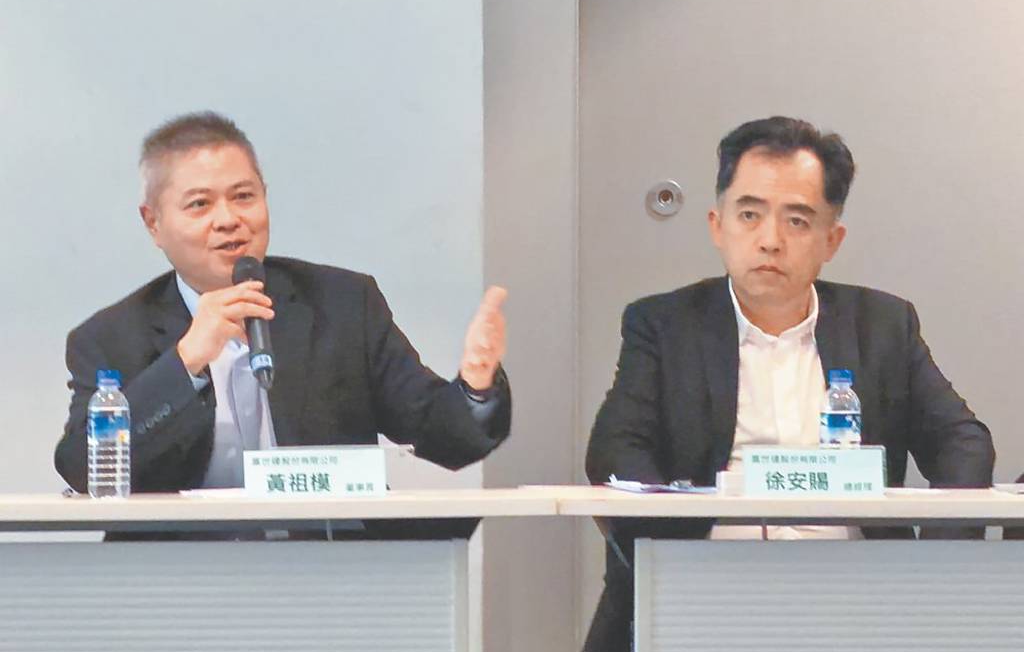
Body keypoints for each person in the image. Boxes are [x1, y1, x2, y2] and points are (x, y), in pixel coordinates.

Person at [582, 116, 995, 651]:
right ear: (717, 226)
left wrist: (929, 569)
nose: (770, 241)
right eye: (749, 215)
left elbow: (963, 442)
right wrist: (676, 558)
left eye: (797, 221)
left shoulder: (883, 325)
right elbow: (616, 451)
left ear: (832, 240)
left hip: (856, 601)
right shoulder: (663, 325)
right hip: (703, 595)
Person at [55, 111, 510, 496]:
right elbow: (82, 468)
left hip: (327, 561)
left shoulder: (342, 305)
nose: (228, 220)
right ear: (153, 223)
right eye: (199, 205)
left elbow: (442, 435)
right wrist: (186, 360)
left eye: (243, 197)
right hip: (182, 567)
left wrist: (475, 384)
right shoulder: (111, 338)